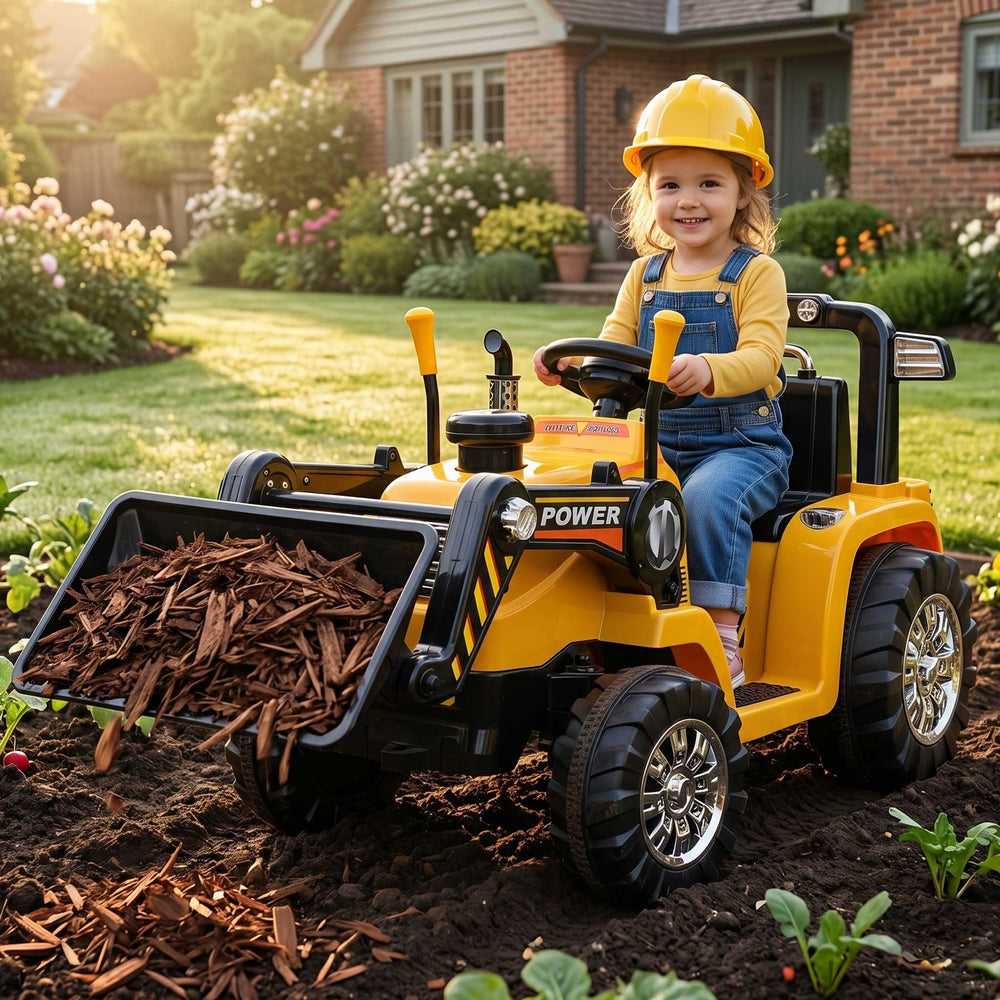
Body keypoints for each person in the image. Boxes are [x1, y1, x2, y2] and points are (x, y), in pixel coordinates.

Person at [533, 74, 792, 689]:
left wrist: (709, 369)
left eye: (709, 183)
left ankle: (721, 631)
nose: (689, 200)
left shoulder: (756, 274)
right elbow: (616, 346)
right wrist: (571, 364)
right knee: (583, 493)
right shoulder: (644, 276)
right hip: (654, 442)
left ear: (744, 191)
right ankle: (593, 626)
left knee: (704, 500)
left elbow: (763, 357)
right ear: (648, 194)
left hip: (741, 445)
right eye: (670, 185)